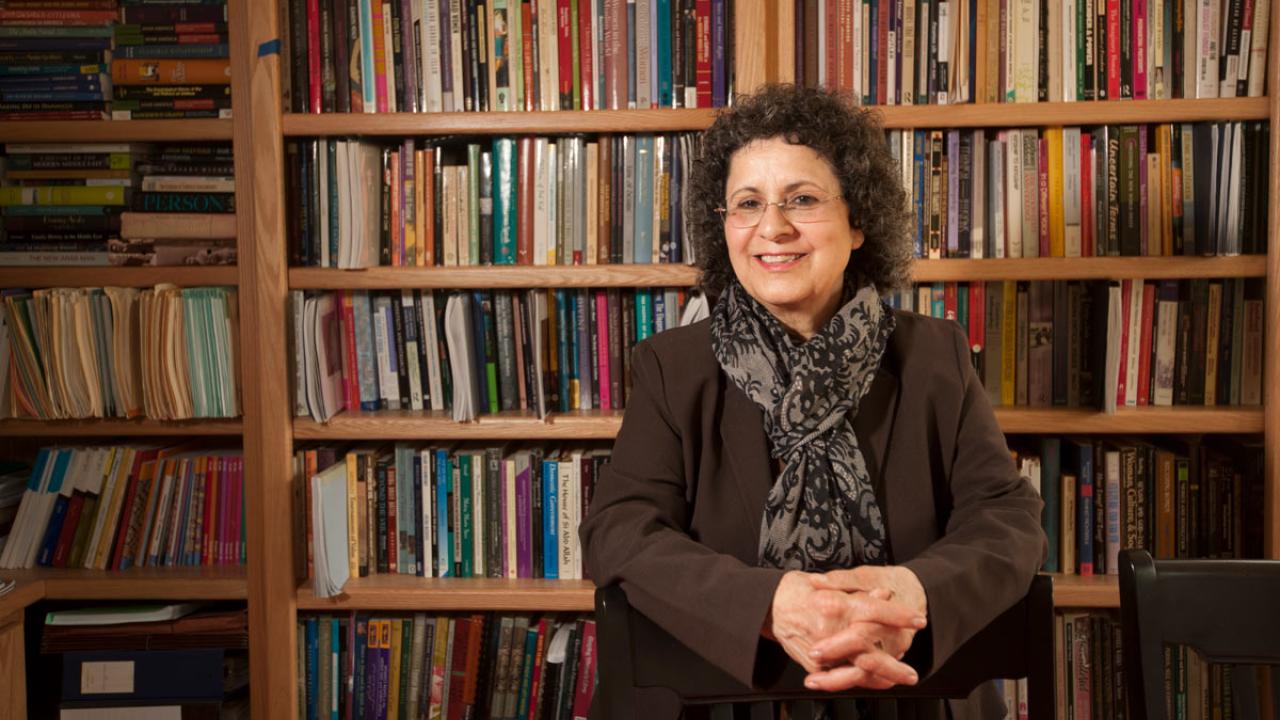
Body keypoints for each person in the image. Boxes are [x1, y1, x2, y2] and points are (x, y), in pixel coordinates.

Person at [578, 84, 1047, 720]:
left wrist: (913, 590)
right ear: (725, 230)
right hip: (716, 698)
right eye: (748, 204)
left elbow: (1006, 518)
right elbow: (619, 531)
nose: (773, 227)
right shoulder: (671, 366)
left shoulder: (936, 356)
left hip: (905, 691)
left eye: (801, 199)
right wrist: (769, 605)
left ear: (859, 224)